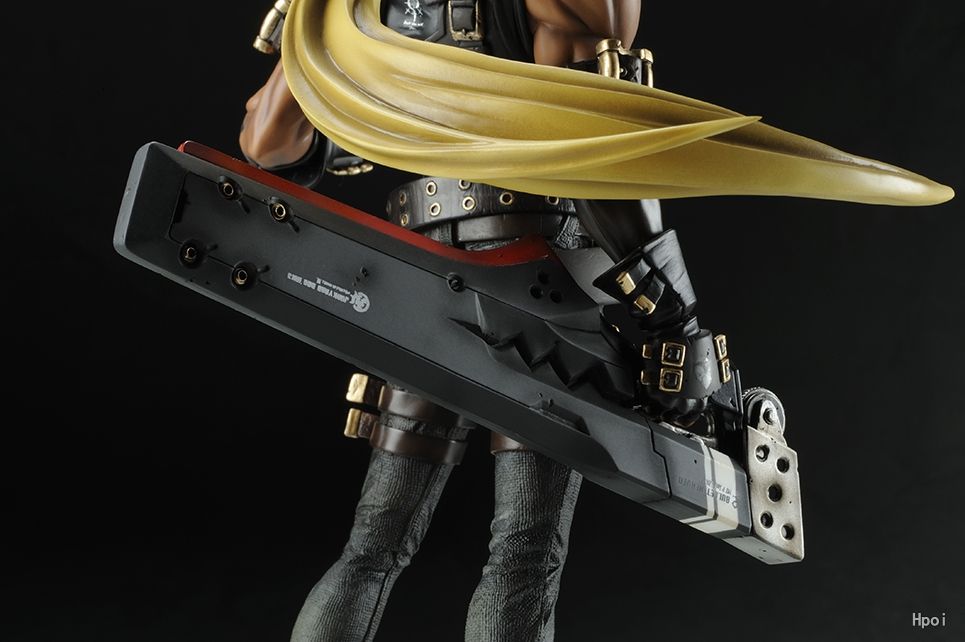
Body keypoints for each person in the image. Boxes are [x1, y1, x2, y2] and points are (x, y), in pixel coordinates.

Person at [238, 1, 952, 640]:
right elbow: (597, 155)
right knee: (523, 554)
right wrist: (673, 320)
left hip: (422, 277)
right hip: (536, 285)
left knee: (373, 545)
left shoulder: (350, 10)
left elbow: (271, 143)